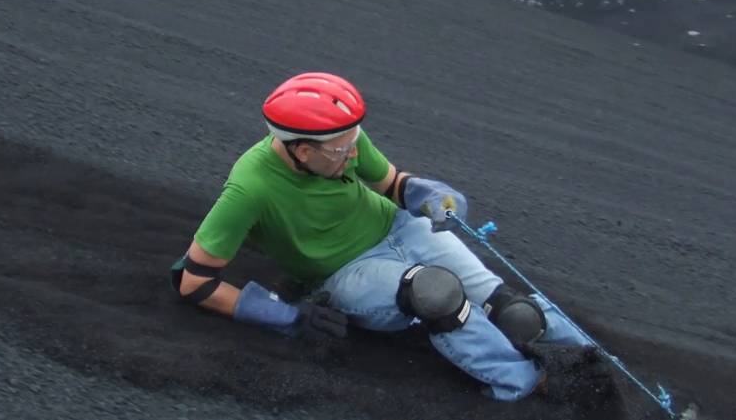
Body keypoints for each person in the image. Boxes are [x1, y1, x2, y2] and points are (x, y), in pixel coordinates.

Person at [171, 72, 604, 401]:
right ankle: (527, 390)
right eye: (342, 150)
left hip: (402, 229)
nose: (354, 155)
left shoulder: (340, 143)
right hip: (346, 271)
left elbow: (393, 183)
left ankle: (600, 367)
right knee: (436, 296)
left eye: (354, 142)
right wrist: (288, 316)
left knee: (514, 313)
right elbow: (194, 280)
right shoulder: (250, 189)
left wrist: (431, 194)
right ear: (302, 152)